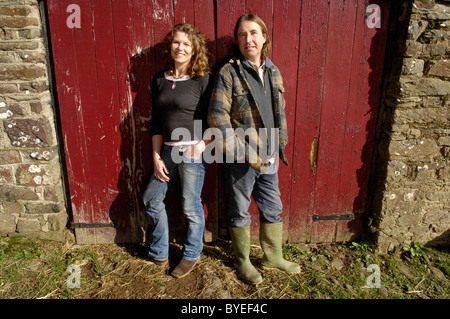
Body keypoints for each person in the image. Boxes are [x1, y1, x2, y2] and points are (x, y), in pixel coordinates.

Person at [208, 14, 300, 285]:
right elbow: (217, 117)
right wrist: (243, 152)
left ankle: (273, 257)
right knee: (239, 210)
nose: (249, 39)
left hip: (269, 154)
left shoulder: (273, 71)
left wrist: (280, 143)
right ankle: (243, 261)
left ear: (264, 37)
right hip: (242, 158)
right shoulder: (229, 73)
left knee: (273, 207)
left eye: (254, 33)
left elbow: (279, 112)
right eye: (242, 34)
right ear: (238, 40)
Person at [143, 23, 212, 278]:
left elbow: (215, 119)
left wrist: (202, 145)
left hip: (193, 151)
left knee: (190, 207)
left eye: (186, 43)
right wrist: (155, 156)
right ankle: (160, 251)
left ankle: (192, 253)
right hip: (168, 153)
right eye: (176, 42)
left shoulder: (203, 79)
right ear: (169, 46)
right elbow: (157, 122)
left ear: (194, 49)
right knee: (152, 198)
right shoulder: (159, 79)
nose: (180, 47)